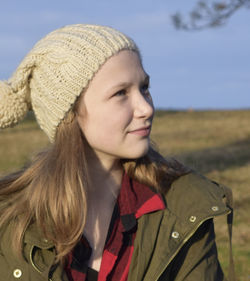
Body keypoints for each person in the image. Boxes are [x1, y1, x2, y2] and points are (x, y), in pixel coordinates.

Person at [0, 24, 235, 281]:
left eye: (144, 87)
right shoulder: (12, 220)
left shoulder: (183, 204)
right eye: (121, 93)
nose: (146, 108)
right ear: (70, 114)